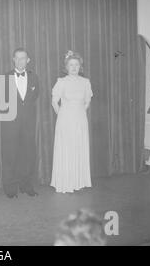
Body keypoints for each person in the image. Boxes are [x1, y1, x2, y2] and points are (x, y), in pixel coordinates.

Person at [51, 51, 93, 193]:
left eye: (76, 65)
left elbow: (87, 102)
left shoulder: (85, 82)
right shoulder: (61, 82)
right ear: (66, 67)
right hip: (65, 120)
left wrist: (78, 113)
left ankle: (78, 181)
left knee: (78, 148)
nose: (74, 67)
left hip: (80, 120)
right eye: (71, 65)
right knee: (67, 149)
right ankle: (66, 182)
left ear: (80, 66)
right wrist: (63, 114)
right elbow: (54, 102)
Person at [0, 48, 40, 198]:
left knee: (27, 154)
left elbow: (34, 97)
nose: (20, 61)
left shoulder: (34, 77)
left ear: (28, 60)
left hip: (28, 123)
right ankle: (10, 189)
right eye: (17, 58)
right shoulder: (5, 77)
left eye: (23, 58)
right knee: (10, 155)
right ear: (13, 60)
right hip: (10, 124)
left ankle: (26, 185)